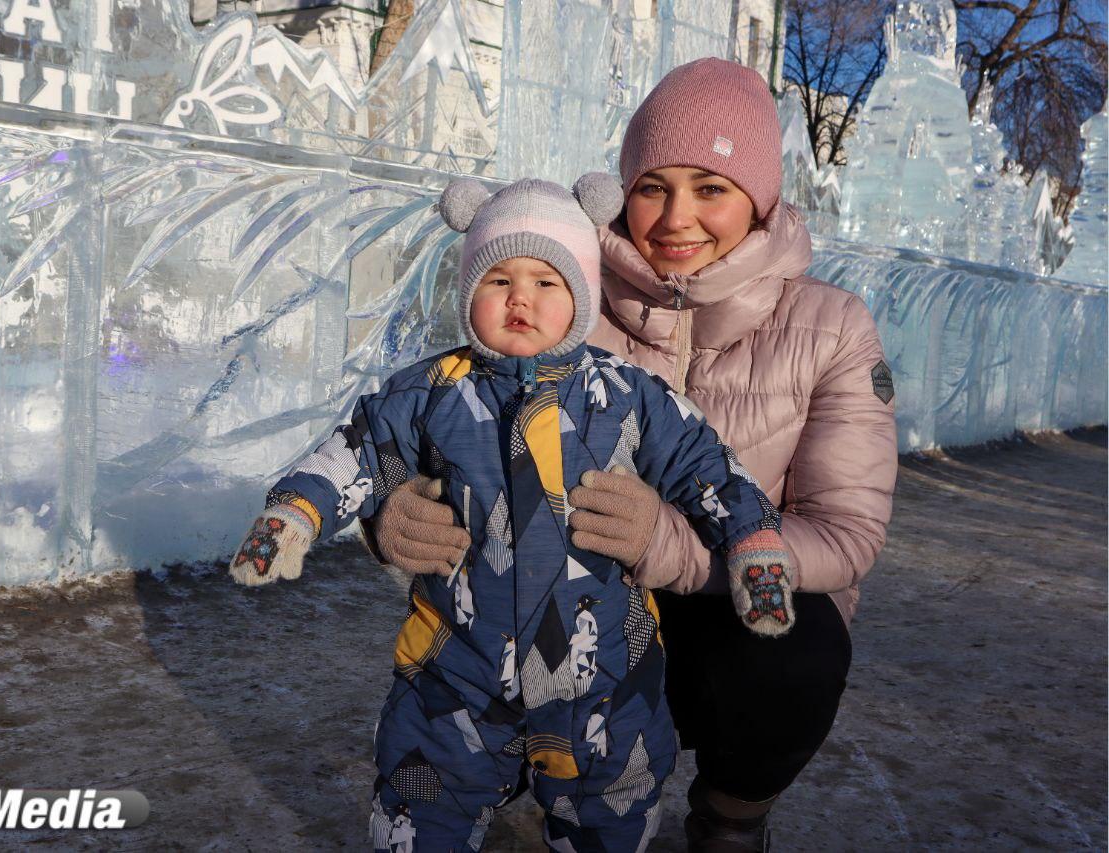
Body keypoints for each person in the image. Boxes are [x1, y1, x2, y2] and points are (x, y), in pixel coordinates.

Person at [366, 57, 899, 850]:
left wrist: (668, 545)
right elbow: (438, 420)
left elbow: (847, 533)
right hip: (571, 600)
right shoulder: (560, 290)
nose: (676, 217)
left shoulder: (831, 326)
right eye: (653, 187)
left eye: (711, 189)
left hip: (724, 610)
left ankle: (731, 813)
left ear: (760, 201)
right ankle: (505, 774)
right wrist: (390, 508)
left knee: (798, 643)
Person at [229, 174, 796, 851]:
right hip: (456, 673)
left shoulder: (627, 396)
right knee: (423, 802)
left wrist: (753, 541)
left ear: (582, 296)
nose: (521, 297)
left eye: (547, 282)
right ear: (470, 292)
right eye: (498, 279)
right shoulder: (427, 392)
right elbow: (353, 451)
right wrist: (294, 513)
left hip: (603, 677)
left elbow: (707, 465)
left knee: (610, 810)